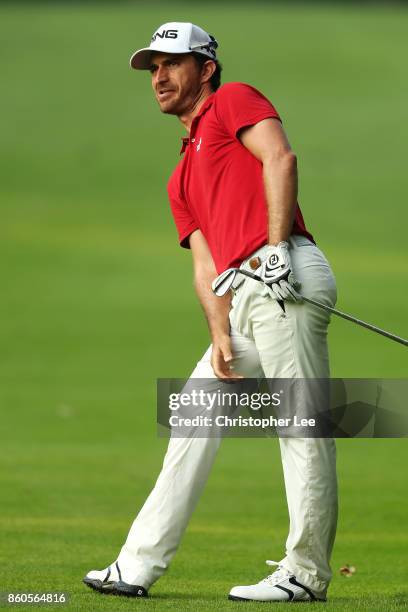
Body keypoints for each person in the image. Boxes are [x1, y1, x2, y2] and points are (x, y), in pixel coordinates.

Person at [83, 22, 338, 603]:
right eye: (153, 68)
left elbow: (280, 158)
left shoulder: (234, 102)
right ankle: (137, 564)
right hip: (243, 295)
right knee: (194, 417)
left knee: (300, 426)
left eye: (172, 63)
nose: (160, 77)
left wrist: (276, 248)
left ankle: (304, 574)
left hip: (286, 272)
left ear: (207, 68)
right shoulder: (181, 175)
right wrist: (220, 331)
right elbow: (205, 266)